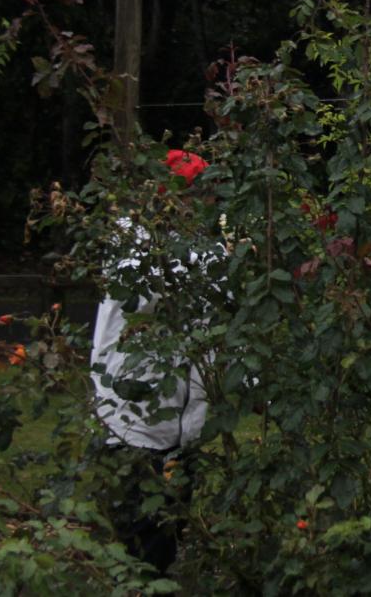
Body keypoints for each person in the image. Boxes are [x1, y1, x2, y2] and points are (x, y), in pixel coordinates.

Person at [89, 148, 213, 574]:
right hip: (133, 424)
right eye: (197, 197)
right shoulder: (135, 242)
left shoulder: (198, 247)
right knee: (139, 549)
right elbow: (140, 296)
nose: (205, 207)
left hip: (179, 431)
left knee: (166, 545)